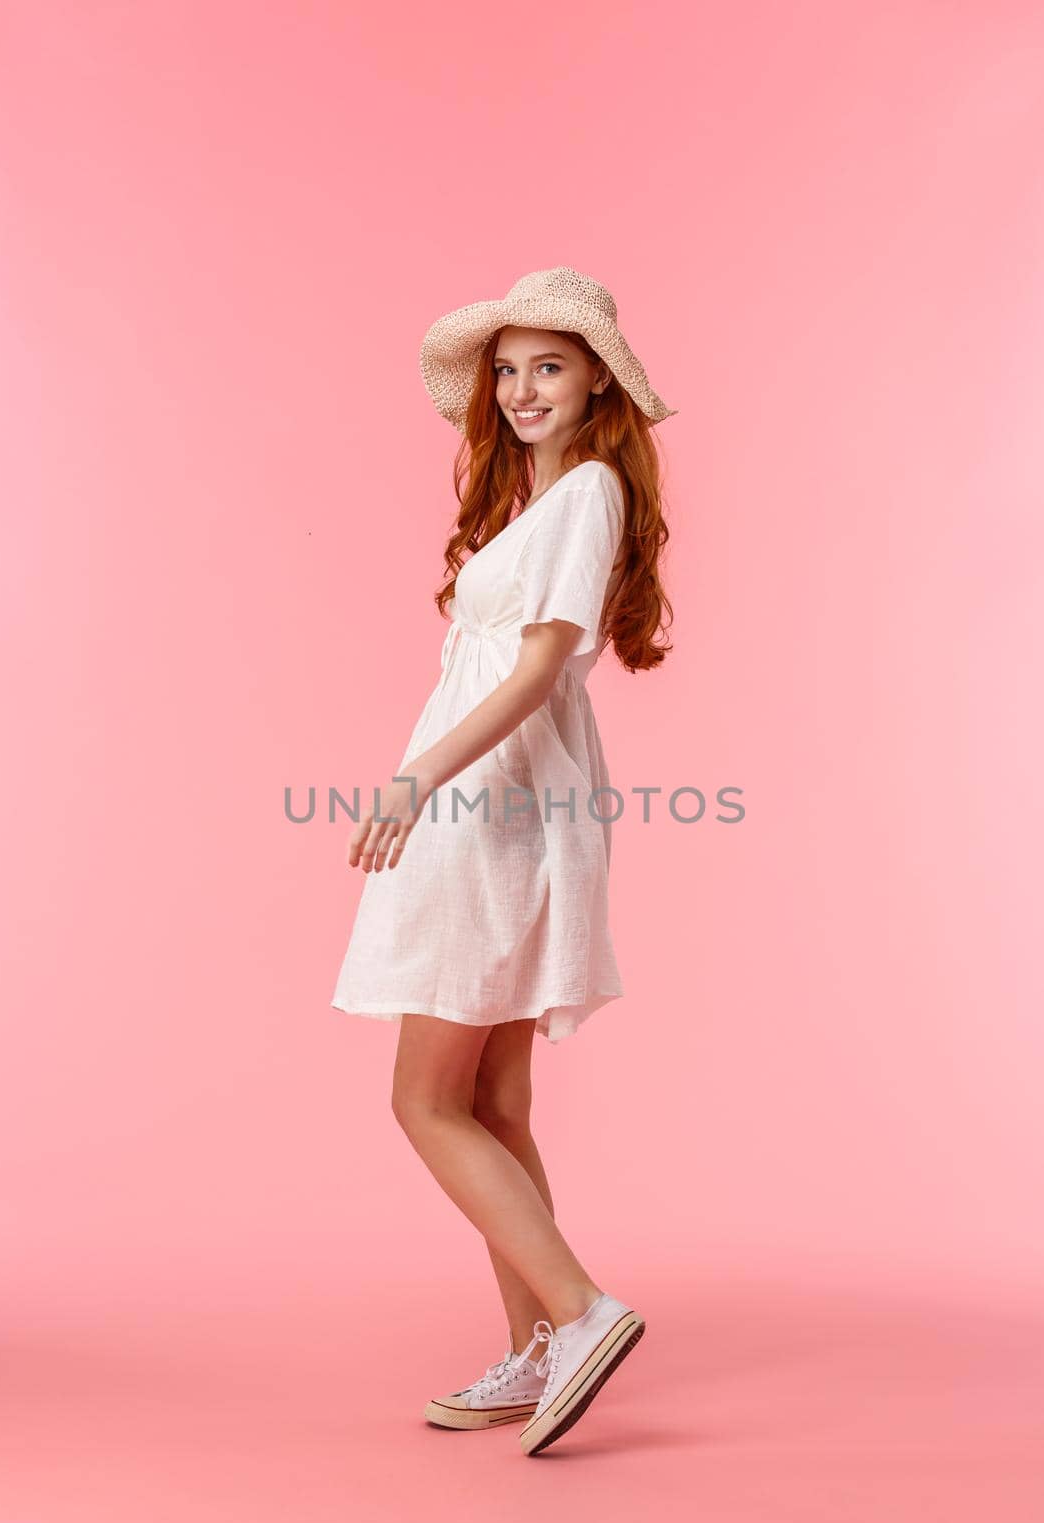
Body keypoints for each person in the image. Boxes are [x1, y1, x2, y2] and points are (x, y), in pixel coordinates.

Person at [330, 266, 676, 1455]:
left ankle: (580, 1311)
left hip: (490, 803)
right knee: (493, 1098)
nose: (523, 387)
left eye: (549, 365)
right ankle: (535, 1349)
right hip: (515, 798)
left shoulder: (582, 494)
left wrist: (417, 775)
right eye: (509, 366)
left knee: (421, 1098)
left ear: (595, 383)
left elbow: (535, 670)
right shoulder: (536, 503)